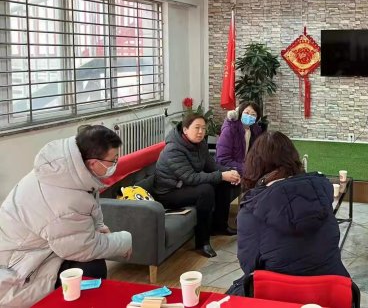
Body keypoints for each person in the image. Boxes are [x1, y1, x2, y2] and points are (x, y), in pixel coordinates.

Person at [0, 125, 132, 307]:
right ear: (94, 163)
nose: (116, 164)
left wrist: (99, 227)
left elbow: (88, 208)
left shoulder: (68, 171)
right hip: (18, 273)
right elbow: (84, 247)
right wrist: (124, 242)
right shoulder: (63, 199)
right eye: (113, 160)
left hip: (41, 252)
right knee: (91, 267)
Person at [229, 131, 349, 294]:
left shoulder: (251, 210)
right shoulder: (319, 194)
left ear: (254, 164)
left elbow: (248, 266)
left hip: (278, 295)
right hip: (333, 292)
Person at [153, 113, 241, 258]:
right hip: (168, 192)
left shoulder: (201, 144)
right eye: (197, 128)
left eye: (203, 128)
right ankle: (202, 243)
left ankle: (219, 226)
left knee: (224, 182)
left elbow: (211, 166)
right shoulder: (173, 149)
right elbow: (190, 178)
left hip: (184, 186)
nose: (201, 132)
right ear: (185, 129)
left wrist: (230, 172)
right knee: (205, 190)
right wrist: (221, 175)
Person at [215, 101, 263, 175]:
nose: (249, 116)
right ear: (240, 113)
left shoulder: (256, 131)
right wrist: (246, 168)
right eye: (246, 113)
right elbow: (223, 159)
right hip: (229, 172)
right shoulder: (229, 129)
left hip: (248, 171)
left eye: (253, 114)